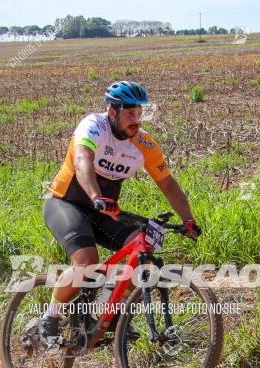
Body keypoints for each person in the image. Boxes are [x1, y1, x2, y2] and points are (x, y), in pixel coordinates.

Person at [40, 80, 201, 344]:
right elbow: (82, 162)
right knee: (87, 261)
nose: (136, 120)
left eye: (139, 114)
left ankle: (113, 315)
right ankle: (51, 315)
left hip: (105, 211)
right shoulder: (93, 126)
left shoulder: (144, 144)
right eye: (129, 114)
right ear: (112, 112)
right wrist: (96, 196)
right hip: (66, 203)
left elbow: (168, 185)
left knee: (143, 254)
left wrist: (188, 219)